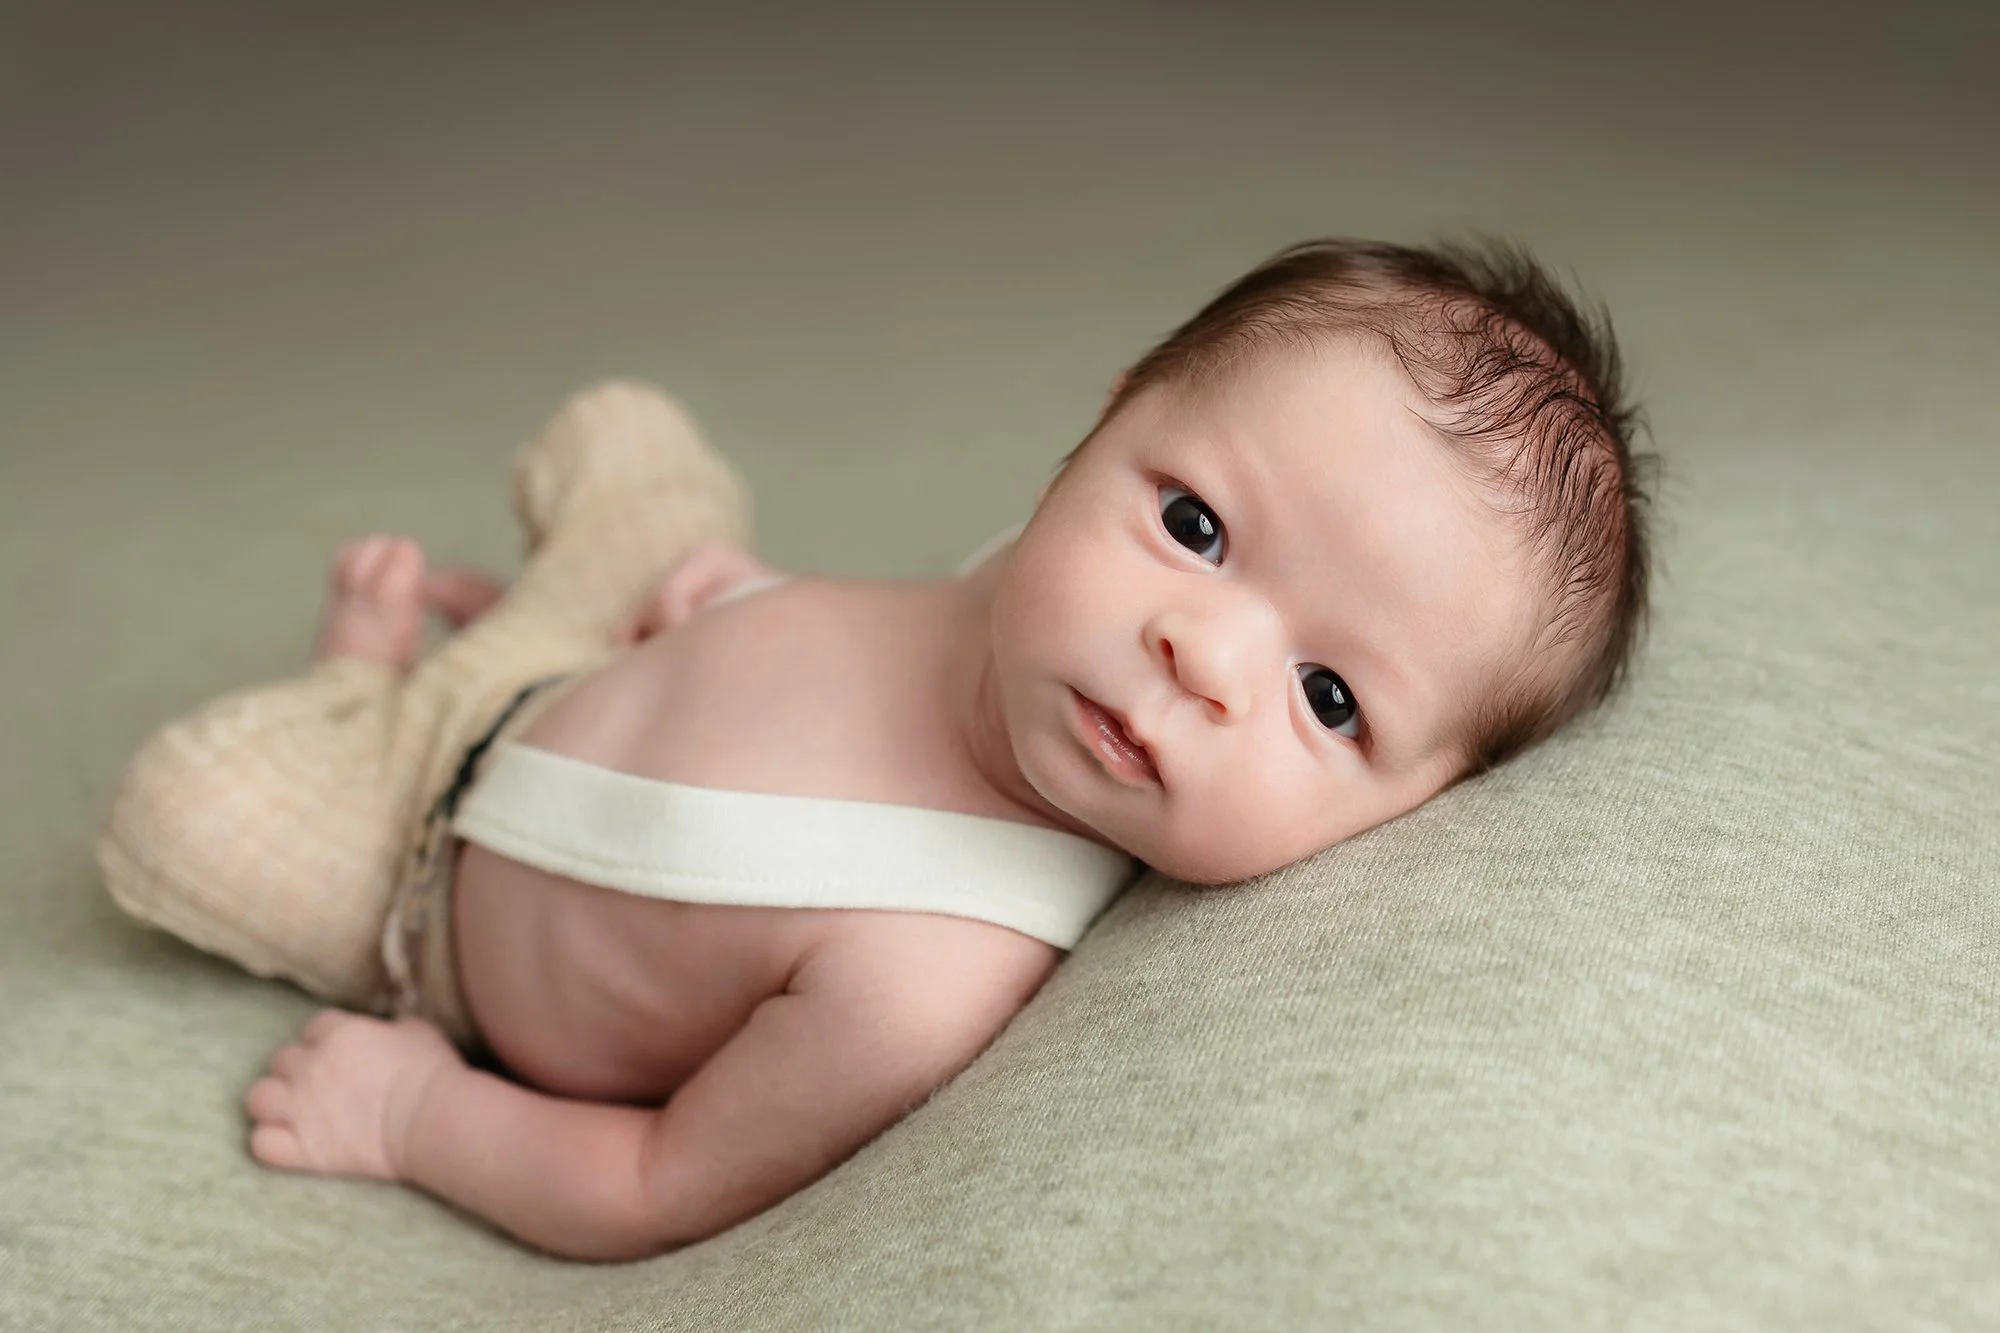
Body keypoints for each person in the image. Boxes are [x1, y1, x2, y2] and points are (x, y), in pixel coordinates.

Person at [97, 238, 1653, 1261]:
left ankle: (352, 699)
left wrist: (413, 1115)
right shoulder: (1038, 595)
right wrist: (753, 605)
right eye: (1194, 525)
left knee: (191, 812)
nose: (1208, 655)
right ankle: (522, 621)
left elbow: (656, 1186)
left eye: (1332, 700)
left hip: (421, 881)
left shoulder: (926, 965)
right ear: (1099, 429)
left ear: (1418, 805)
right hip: (615, 655)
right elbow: (886, 631)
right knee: (631, 448)